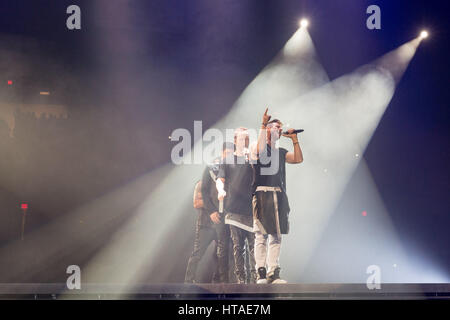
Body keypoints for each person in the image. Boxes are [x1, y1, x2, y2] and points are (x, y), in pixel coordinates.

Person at [250, 108, 303, 284]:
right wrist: (264, 124)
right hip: (262, 193)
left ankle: (273, 271)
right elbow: (258, 151)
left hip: (278, 195)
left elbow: (297, 159)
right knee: (261, 235)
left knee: (276, 235)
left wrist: (295, 139)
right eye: (276, 126)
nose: (279, 129)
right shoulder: (259, 147)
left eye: (280, 127)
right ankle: (261, 272)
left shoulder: (281, 152)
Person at [184, 143, 234, 283]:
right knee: (198, 253)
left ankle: (218, 282)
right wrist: (213, 209)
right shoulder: (209, 172)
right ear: (222, 153)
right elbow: (198, 201)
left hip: (223, 222)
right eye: (226, 153)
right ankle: (188, 282)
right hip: (206, 222)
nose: (228, 157)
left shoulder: (233, 175)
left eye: (231, 154)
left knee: (222, 254)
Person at [216, 128, 257, 284]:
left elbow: (259, 178)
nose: (244, 141)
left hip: (251, 209)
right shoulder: (227, 160)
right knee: (238, 246)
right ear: (235, 141)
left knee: (254, 245)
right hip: (233, 209)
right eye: (241, 139)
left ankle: (255, 279)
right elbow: (220, 179)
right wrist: (220, 190)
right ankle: (241, 279)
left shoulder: (252, 160)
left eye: (246, 139)